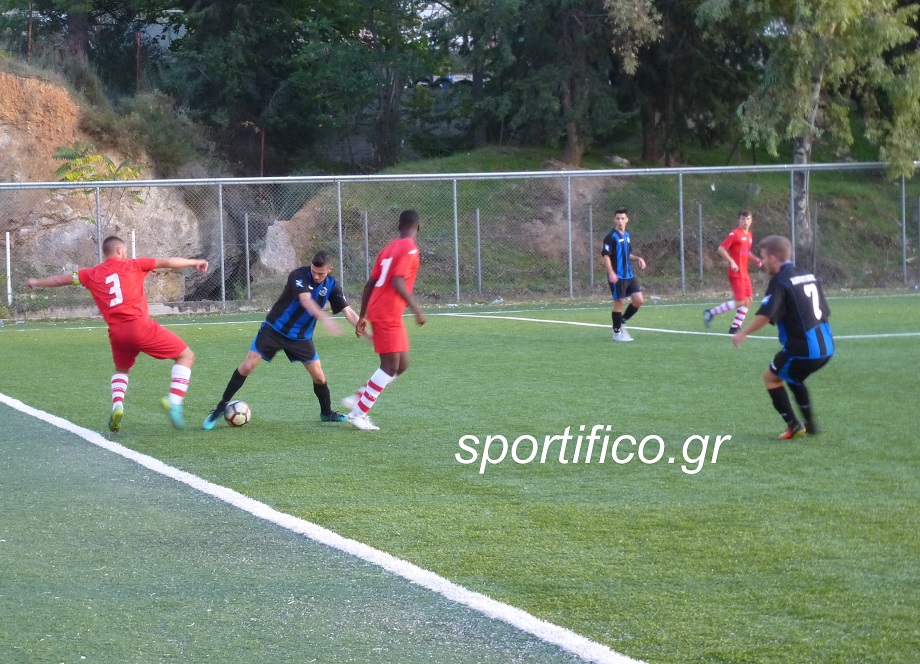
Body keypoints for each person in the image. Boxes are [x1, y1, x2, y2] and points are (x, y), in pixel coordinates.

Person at [26, 235, 208, 431]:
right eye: (126, 251)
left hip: (117, 333)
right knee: (186, 356)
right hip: (140, 326)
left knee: (122, 369)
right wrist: (194, 262)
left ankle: (118, 405)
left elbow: (60, 280)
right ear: (120, 250)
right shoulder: (134, 265)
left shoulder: (90, 274)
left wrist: (37, 282)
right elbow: (169, 262)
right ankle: (174, 401)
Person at [202, 251, 362, 429]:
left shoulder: (332, 285)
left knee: (319, 376)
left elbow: (348, 310)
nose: (316, 276)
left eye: (321, 273)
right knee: (247, 366)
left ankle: (326, 413)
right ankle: (220, 407)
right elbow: (305, 300)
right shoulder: (299, 275)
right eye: (314, 271)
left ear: (329, 270)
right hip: (275, 329)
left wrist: (365, 330)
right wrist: (325, 318)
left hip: (301, 337)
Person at [732, 235, 834, 440]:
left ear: (773, 257)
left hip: (803, 348)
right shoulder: (807, 275)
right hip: (827, 346)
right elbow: (824, 312)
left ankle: (794, 425)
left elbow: (765, 315)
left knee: (771, 377)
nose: (762, 262)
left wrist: (742, 332)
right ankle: (811, 425)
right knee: (792, 376)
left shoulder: (780, 280)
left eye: (763, 257)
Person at [342, 209, 425, 430]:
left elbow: (370, 284)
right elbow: (398, 281)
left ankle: (359, 397)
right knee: (389, 366)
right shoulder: (410, 248)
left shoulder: (388, 248)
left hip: (382, 310)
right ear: (418, 228)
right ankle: (358, 414)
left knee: (401, 365)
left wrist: (363, 315)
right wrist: (417, 309)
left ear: (399, 227)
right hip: (388, 312)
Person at [704, 210, 763, 334]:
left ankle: (735, 327)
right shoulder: (735, 233)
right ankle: (710, 313)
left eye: (748, 219)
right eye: (743, 219)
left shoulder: (749, 235)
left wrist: (756, 259)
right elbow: (721, 249)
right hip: (736, 273)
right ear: (739, 220)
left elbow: (745, 252)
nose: (745, 222)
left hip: (744, 273)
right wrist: (731, 261)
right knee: (741, 301)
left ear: (751, 220)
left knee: (749, 300)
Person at [601, 207, 647, 342]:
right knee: (619, 303)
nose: (620, 221)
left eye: (622, 218)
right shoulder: (610, 237)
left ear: (627, 219)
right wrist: (611, 273)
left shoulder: (627, 235)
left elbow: (628, 254)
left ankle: (622, 321)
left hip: (629, 275)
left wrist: (638, 258)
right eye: (618, 218)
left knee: (639, 300)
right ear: (614, 220)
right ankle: (616, 334)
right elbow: (606, 256)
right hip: (618, 276)